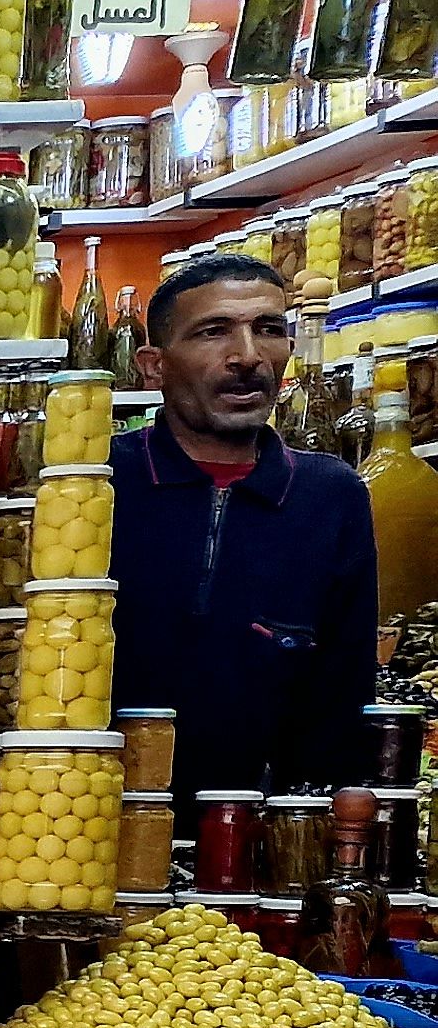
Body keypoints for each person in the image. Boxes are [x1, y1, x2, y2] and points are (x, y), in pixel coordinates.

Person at [112, 250, 381, 796]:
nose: (248, 356)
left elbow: (344, 693)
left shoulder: (330, 496)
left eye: (268, 330)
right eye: (214, 332)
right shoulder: (99, 483)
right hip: (81, 817)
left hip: (260, 825)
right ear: (154, 365)